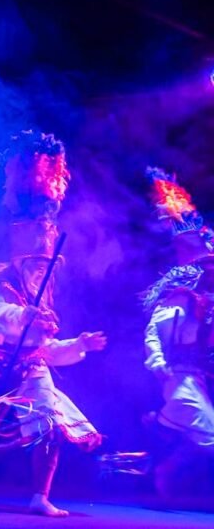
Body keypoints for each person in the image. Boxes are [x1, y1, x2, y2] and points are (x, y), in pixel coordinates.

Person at [0, 130, 106, 517]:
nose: (44, 265)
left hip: (33, 370)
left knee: (48, 427)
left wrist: (79, 344)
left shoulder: (44, 290)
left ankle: (39, 497)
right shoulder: (4, 277)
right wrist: (22, 315)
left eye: (47, 261)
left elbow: (44, 348)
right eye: (39, 260)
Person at [140, 167, 214, 496]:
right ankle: (158, 424)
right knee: (206, 432)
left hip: (200, 379)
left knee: (199, 435)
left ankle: (162, 453)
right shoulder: (179, 301)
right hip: (180, 378)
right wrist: (157, 361)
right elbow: (154, 333)